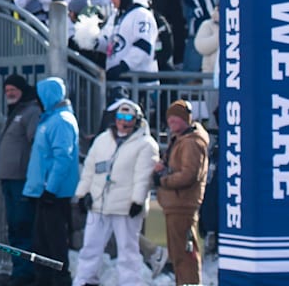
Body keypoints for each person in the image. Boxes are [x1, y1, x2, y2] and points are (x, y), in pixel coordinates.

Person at [72, 99, 158, 286]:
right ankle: (85, 280)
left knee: (128, 250)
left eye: (128, 117)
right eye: (120, 116)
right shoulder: (103, 140)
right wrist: (82, 194)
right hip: (99, 202)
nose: (123, 121)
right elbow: (90, 169)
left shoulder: (145, 144)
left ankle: (130, 282)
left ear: (136, 119)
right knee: (90, 246)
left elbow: (143, 175)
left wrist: (137, 200)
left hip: (125, 206)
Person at [23, 76, 80, 286]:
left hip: (54, 194)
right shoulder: (50, 118)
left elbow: (63, 157)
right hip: (44, 191)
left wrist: (51, 189)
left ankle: (59, 280)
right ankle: (44, 280)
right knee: (42, 242)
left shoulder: (61, 121)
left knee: (54, 243)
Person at [155, 100, 209, 286]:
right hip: (175, 205)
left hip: (183, 206)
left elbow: (188, 175)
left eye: (176, 118)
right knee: (178, 255)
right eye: (169, 118)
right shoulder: (180, 140)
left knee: (186, 256)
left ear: (185, 119)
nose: (171, 121)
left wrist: (163, 180)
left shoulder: (192, 143)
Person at [0, 73, 42, 286]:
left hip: (22, 180)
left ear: (22, 89)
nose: (9, 93)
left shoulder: (30, 111)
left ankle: (25, 272)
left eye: (13, 90)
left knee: (22, 226)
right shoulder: (15, 111)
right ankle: (19, 269)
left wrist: (33, 177)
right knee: (14, 227)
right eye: (6, 91)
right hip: (10, 180)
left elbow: (36, 145)